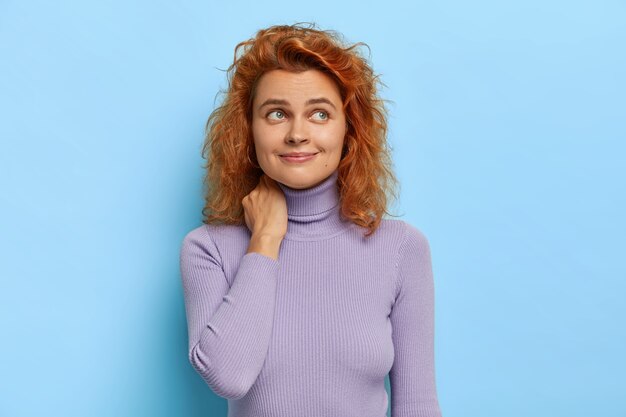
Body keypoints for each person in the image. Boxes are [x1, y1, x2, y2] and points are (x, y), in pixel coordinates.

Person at [179, 22, 443, 417]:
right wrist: (264, 241)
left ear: (349, 128)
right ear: (248, 129)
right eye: (276, 114)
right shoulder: (208, 248)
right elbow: (228, 377)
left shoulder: (401, 248)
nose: (297, 134)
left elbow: (417, 404)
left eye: (320, 113)